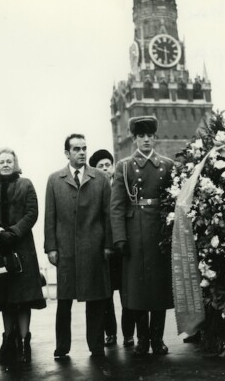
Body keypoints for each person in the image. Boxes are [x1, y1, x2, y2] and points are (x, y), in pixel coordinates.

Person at [111, 116, 174, 356]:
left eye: (150, 135)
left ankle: (157, 339)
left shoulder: (167, 165)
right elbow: (116, 205)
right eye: (141, 136)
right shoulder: (124, 166)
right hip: (134, 235)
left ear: (155, 137)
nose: (146, 140)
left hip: (159, 232)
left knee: (159, 288)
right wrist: (119, 239)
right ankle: (142, 339)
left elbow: (173, 201)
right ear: (134, 139)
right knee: (137, 289)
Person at [44, 134, 112, 359]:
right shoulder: (55, 180)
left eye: (84, 148)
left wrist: (108, 245)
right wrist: (51, 247)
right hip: (65, 250)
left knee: (95, 299)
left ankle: (96, 345)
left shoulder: (100, 178)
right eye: (76, 149)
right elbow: (50, 217)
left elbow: (107, 215)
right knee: (64, 302)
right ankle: (62, 347)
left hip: (93, 248)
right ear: (67, 153)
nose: (82, 152)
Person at [0, 148, 45, 366]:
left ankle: (25, 342)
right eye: (2, 161)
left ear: (15, 163)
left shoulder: (26, 184)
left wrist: (14, 232)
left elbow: (32, 212)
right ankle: (8, 341)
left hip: (22, 248)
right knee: (5, 299)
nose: (5, 164)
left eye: (9, 161)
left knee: (23, 298)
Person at [89, 149, 135, 348]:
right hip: (103, 251)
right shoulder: (93, 190)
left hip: (121, 249)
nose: (106, 168)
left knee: (126, 294)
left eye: (108, 164)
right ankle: (110, 334)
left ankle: (128, 334)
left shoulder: (122, 186)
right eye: (101, 166)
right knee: (106, 297)